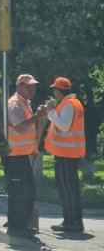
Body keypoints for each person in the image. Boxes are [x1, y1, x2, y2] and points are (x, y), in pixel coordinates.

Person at [3, 74, 46, 238]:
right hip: (14, 156)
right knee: (19, 193)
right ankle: (16, 227)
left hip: (22, 155)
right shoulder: (15, 104)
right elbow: (19, 127)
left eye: (33, 86)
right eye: (28, 86)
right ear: (19, 86)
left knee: (27, 191)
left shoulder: (24, 103)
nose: (32, 89)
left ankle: (21, 225)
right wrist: (37, 117)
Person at [43, 77, 86, 232]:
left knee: (67, 188)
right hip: (70, 153)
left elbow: (64, 126)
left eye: (55, 89)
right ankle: (73, 221)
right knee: (71, 188)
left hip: (66, 154)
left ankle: (72, 222)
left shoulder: (68, 105)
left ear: (58, 91)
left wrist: (50, 112)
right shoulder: (74, 103)